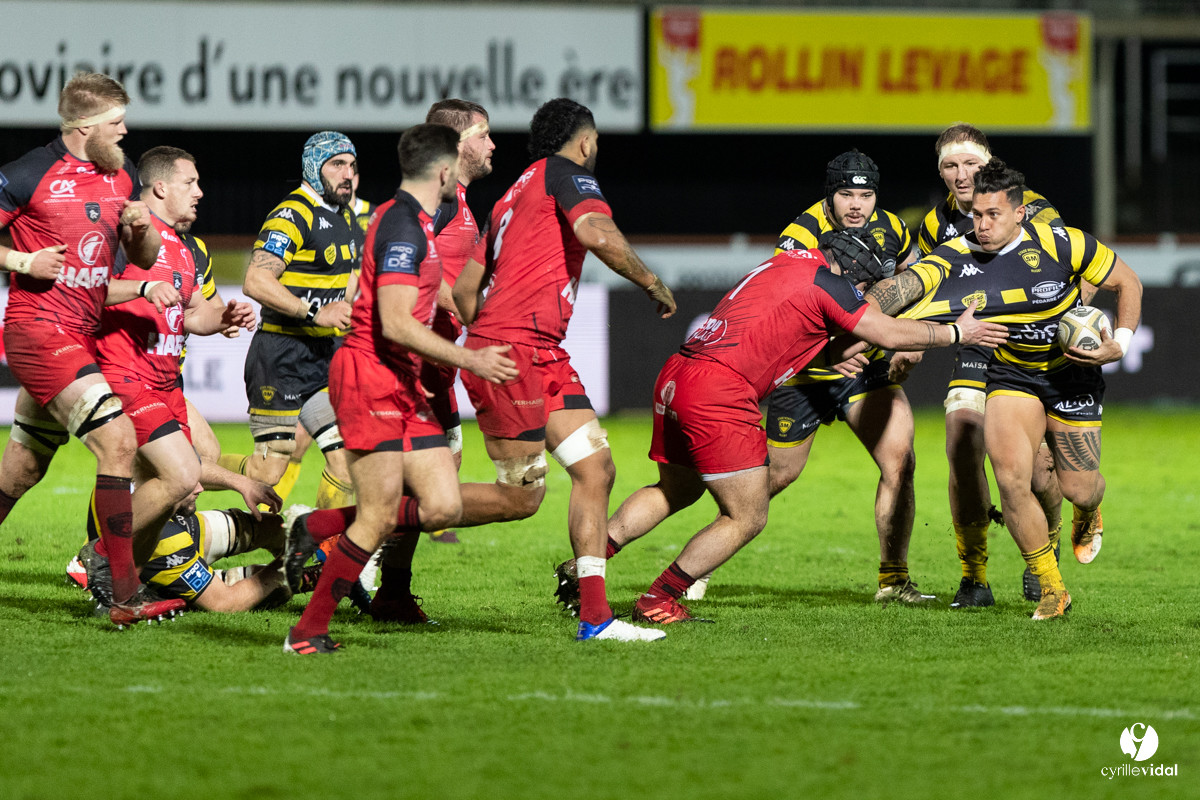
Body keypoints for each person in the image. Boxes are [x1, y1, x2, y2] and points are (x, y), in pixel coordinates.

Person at [581, 230, 1007, 624]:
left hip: (679, 374)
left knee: (675, 489)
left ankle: (583, 568)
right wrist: (956, 332)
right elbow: (886, 331)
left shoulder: (781, 263)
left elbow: (781, 332)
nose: (861, 294)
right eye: (863, 286)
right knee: (747, 516)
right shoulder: (829, 282)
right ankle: (659, 598)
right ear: (853, 271)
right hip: (720, 392)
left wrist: (830, 354)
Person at [867, 160, 1143, 620]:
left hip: (1071, 375)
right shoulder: (957, 255)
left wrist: (1121, 343)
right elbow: (906, 286)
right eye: (976, 214)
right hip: (1013, 377)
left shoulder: (1061, 241)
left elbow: (1126, 281)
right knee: (1013, 479)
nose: (982, 224)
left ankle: (1088, 510)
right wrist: (864, 310)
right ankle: (1054, 589)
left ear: (1019, 213)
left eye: (993, 214)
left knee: (1081, 487)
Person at [283, 123, 519, 654]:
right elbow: (393, 321)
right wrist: (470, 358)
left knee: (442, 506)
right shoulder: (404, 229)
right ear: (443, 170)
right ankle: (307, 632)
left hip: (401, 381)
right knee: (380, 516)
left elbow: (413, 294)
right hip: (370, 377)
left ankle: (318, 524)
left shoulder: (413, 220)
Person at [452, 98, 678, 642]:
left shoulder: (510, 194)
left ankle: (595, 617)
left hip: (539, 351)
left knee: (595, 469)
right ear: (584, 141)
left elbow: (464, 290)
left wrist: (488, 331)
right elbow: (598, 236)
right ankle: (378, 514)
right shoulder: (567, 175)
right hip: (516, 353)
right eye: (594, 142)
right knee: (520, 498)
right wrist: (651, 282)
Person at [0, 72, 185, 626]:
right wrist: (21, 262)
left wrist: (140, 226)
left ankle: (122, 589)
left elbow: (146, 257)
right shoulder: (29, 172)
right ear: (85, 128)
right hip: (38, 331)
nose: (125, 132)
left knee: (21, 471)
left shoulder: (121, 174)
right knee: (119, 442)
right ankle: (124, 596)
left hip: (78, 336)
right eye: (116, 124)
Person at [748, 149, 931, 605]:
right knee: (777, 476)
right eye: (846, 194)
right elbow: (787, 310)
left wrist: (911, 342)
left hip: (865, 366)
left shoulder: (892, 228)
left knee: (900, 461)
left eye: (865, 194)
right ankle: (705, 559)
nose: (857, 204)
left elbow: (913, 285)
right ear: (828, 195)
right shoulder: (799, 236)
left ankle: (893, 580)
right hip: (806, 369)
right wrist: (824, 357)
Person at [912, 123, 1074, 607]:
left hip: (1033, 350)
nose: (961, 175)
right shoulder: (933, 226)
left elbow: (1071, 271)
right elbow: (929, 290)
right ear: (940, 171)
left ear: (988, 163)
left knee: (1040, 472)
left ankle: (1049, 544)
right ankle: (974, 576)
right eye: (950, 165)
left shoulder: (1033, 209)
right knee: (962, 444)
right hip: (980, 344)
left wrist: (1071, 330)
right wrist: (907, 341)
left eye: (971, 164)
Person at [94, 146, 259, 571]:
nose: (201, 192)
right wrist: (141, 289)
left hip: (167, 382)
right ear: (161, 187)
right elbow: (86, 290)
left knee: (176, 487)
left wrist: (224, 316)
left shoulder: (190, 249)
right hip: (125, 376)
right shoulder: (123, 236)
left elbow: (193, 315)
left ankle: (126, 574)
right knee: (182, 476)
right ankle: (98, 558)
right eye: (191, 183)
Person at [221, 131, 361, 514]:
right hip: (280, 355)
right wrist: (316, 313)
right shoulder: (292, 214)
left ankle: (325, 555)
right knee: (268, 471)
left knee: (349, 457)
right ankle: (188, 468)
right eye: (337, 165)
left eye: (351, 165)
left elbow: (344, 282)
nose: (347, 174)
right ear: (314, 168)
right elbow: (256, 281)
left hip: (321, 356)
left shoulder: (344, 215)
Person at [413, 98, 497, 545]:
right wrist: (474, 317)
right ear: (456, 144)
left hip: (438, 365)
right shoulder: (439, 200)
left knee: (448, 464)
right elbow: (415, 265)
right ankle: (328, 539)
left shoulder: (459, 201)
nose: (492, 145)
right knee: (425, 477)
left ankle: (391, 588)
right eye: (483, 134)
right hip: (416, 359)